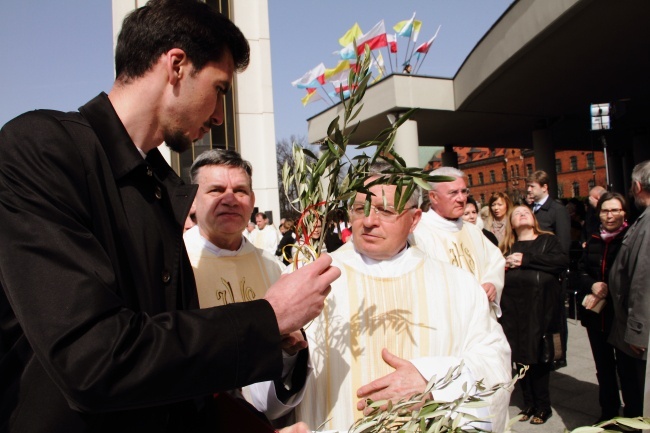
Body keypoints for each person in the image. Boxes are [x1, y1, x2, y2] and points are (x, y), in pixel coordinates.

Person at [0, 1, 340, 431]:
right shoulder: (43, 150)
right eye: (219, 88)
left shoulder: (159, 186)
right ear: (177, 65)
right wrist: (266, 317)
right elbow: (92, 360)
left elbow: (173, 383)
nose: (219, 116)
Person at [296, 163, 512, 432]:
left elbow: (494, 363)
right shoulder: (312, 281)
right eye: (360, 208)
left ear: (414, 219)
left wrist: (433, 382)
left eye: (385, 210)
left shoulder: (457, 285)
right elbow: (277, 385)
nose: (369, 221)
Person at [183, 149, 310, 426]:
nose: (230, 199)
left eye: (240, 191)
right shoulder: (176, 262)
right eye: (216, 190)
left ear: (252, 201)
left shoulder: (271, 267)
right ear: (191, 201)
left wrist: (288, 353)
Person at [499, 205, 568, 425]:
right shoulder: (505, 247)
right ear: (511, 223)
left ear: (533, 218)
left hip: (541, 311)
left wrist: (526, 260)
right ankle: (528, 404)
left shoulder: (548, 240)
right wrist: (504, 267)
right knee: (519, 359)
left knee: (539, 359)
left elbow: (560, 262)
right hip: (513, 312)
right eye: (517, 213)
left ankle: (543, 406)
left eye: (526, 212)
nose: (522, 214)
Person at [411, 167, 506, 313]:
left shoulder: (473, 230)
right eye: (453, 193)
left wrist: (492, 283)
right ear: (433, 197)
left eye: (464, 191)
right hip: (445, 316)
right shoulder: (418, 232)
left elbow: (495, 261)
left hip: (480, 316)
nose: (462, 199)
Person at [577, 192, 629, 421]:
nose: (610, 215)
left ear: (624, 213)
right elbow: (579, 271)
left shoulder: (630, 238)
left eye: (615, 210)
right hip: (596, 316)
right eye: (605, 210)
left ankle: (632, 414)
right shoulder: (594, 238)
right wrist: (593, 283)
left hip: (621, 316)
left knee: (627, 369)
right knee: (604, 368)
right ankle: (608, 413)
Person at [608, 159, 650, 417]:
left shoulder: (647, 223)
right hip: (632, 326)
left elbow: (643, 280)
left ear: (636, 186)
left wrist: (637, 331)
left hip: (638, 333)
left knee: (639, 398)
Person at [526, 170, 571, 253]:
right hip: (529, 259)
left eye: (532, 186)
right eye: (528, 186)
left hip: (548, 260)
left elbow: (563, 243)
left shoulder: (558, 210)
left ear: (544, 187)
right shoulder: (528, 209)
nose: (528, 189)